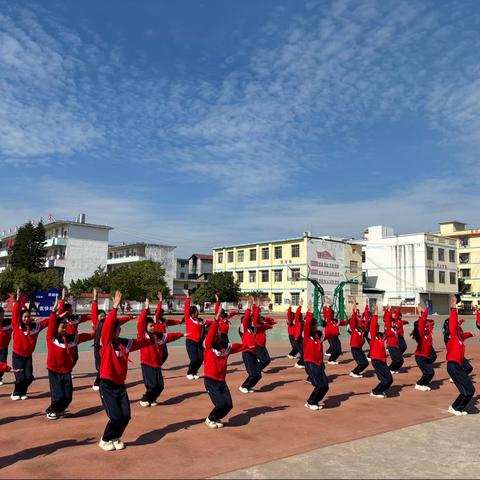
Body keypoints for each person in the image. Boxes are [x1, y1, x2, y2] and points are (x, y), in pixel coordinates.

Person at [98, 291, 157, 451]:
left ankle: (115, 436)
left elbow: (141, 342)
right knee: (115, 416)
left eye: (117, 329)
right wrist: (115, 307)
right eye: (113, 329)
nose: (114, 331)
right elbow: (108, 327)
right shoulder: (106, 344)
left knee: (126, 415)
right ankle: (105, 439)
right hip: (107, 384)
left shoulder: (125, 343)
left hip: (120, 385)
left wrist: (153, 337)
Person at [45, 298, 94, 419]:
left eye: (65, 327)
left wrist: (98, 331)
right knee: (58, 395)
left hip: (66, 370)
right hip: (54, 370)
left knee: (68, 396)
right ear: (56, 328)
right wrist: (53, 313)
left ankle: (60, 409)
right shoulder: (51, 338)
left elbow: (86, 336)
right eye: (62, 327)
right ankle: (51, 411)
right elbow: (51, 325)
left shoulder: (72, 338)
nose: (64, 329)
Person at [204, 310, 247, 428]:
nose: (219, 332)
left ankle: (216, 417)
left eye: (218, 330)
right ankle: (209, 419)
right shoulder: (208, 347)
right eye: (217, 331)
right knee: (221, 404)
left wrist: (247, 346)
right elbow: (211, 334)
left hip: (222, 381)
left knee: (229, 405)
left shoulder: (224, 349)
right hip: (211, 380)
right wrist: (216, 321)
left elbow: (235, 347)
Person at [137, 298, 184, 407]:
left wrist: (181, 335)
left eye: (153, 325)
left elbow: (170, 336)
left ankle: (152, 398)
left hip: (157, 364)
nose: (153, 327)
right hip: (147, 363)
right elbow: (140, 322)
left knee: (160, 385)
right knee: (152, 385)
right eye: (150, 326)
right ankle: (145, 398)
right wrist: (146, 308)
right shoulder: (142, 336)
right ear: (145, 327)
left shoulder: (158, 335)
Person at [11, 289, 49, 400]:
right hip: (17, 355)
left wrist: (56, 315)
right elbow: (15, 314)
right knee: (20, 377)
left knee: (29, 377)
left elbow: (47, 322)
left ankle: (22, 392)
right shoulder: (16, 325)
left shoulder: (36, 327)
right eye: (24, 317)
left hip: (28, 356)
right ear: (21, 318)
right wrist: (18, 300)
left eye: (28, 317)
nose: (26, 319)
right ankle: (15, 392)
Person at [91, 288, 133, 391]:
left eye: (104, 315)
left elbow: (119, 320)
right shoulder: (97, 323)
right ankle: (98, 382)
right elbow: (94, 312)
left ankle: (103, 380)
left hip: (109, 347)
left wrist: (130, 317)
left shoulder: (109, 324)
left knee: (105, 365)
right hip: (100, 347)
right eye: (101, 316)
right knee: (100, 366)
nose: (103, 317)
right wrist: (95, 299)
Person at [446, 295, 478, 416]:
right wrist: (453, 307)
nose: (461, 330)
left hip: (458, 366)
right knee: (468, 390)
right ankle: (454, 407)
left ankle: (457, 407)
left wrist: (471, 334)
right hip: (453, 366)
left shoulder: (459, 338)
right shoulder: (453, 336)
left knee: (469, 390)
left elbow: (463, 335)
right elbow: (454, 322)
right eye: (459, 329)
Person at [303, 300, 329, 410]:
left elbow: (326, 329)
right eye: (313, 324)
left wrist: (328, 307)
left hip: (318, 363)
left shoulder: (318, 337)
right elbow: (307, 324)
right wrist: (309, 312)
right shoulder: (307, 336)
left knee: (325, 386)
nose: (314, 326)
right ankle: (311, 402)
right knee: (320, 385)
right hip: (311, 362)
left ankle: (315, 401)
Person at [184, 290, 211, 380]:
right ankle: (189, 373)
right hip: (190, 342)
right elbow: (186, 308)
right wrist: (188, 298)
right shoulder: (188, 319)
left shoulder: (200, 320)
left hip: (198, 343)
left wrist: (217, 320)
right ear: (192, 313)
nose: (198, 312)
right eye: (196, 311)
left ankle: (194, 372)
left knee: (200, 358)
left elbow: (209, 322)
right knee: (194, 359)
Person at [369, 304, 393, 398]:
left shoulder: (381, 337)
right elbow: (373, 325)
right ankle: (375, 392)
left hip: (383, 361)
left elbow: (387, 324)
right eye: (377, 326)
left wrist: (387, 312)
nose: (378, 327)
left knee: (389, 380)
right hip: (376, 360)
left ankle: (378, 390)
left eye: (379, 326)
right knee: (387, 380)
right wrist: (376, 312)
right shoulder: (373, 338)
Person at [154, 292, 184, 366]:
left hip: (163, 339)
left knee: (165, 355)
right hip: (157, 339)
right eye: (162, 313)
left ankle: (158, 366)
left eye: (163, 313)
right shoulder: (155, 319)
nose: (163, 315)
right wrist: (160, 300)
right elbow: (158, 311)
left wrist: (180, 322)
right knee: (157, 354)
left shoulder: (163, 321)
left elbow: (172, 322)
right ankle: (155, 366)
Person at [239, 299, 262, 393]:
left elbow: (255, 318)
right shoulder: (243, 329)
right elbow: (246, 319)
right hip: (247, 353)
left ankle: (248, 386)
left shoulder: (253, 330)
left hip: (253, 354)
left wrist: (256, 306)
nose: (251, 322)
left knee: (258, 375)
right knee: (253, 374)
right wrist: (248, 307)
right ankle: (243, 386)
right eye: (249, 321)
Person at [411, 304, 435, 391]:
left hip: (425, 356)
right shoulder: (420, 335)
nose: (426, 326)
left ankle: (423, 383)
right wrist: (422, 312)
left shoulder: (427, 333)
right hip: (420, 357)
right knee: (429, 372)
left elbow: (431, 322)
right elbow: (421, 322)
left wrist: (424, 311)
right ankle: (419, 384)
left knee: (430, 372)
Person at [253, 303, 276, 372]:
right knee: (264, 360)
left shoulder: (262, 324)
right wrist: (256, 306)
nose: (262, 319)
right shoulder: (256, 325)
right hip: (258, 344)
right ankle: (257, 369)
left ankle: (257, 368)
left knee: (268, 360)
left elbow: (269, 321)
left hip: (262, 345)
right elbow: (256, 316)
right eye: (260, 318)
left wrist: (272, 323)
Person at [348, 306, 369, 378]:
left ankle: (358, 371)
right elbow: (353, 320)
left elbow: (366, 320)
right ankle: (354, 372)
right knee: (362, 363)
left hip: (359, 348)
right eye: (361, 323)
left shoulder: (362, 330)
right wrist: (354, 311)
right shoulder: (354, 329)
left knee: (366, 363)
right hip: (355, 347)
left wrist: (366, 307)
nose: (362, 324)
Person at [384, 306, 404, 374]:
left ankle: (393, 369)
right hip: (391, 346)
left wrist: (399, 307)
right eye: (392, 322)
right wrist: (389, 311)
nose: (393, 323)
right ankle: (390, 369)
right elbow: (387, 320)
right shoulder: (389, 328)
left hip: (396, 346)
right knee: (396, 360)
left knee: (401, 360)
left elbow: (396, 316)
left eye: (393, 322)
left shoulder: (395, 328)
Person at [0, 306, 13, 386]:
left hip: (4, 348)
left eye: (2, 314)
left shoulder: (8, 322)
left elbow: (17, 319)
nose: (2, 316)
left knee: (3, 363)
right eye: (0, 315)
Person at [293, 299, 305, 368]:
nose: (302, 317)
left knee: (305, 352)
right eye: (302, 316)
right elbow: (297, 314)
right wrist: (300, 306)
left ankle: (301, 363)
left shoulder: (302, 322)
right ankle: (299, 364)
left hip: (300, 339)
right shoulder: (297, 322)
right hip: (297, 340)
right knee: (303, 353)